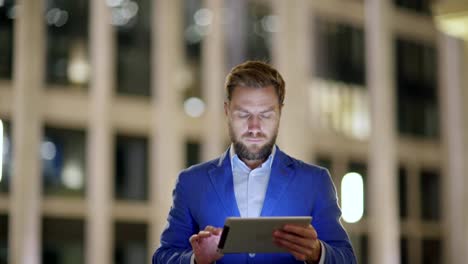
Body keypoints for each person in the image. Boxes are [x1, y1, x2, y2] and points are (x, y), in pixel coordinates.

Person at [152, 61, 356, 264]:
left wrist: (317, 253)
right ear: (227, 112)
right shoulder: (192, 183)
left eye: (266, 115)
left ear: (280, 114)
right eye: (243, 114)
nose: (254, 127)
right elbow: (162, 257)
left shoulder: (314, 181)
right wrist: (195, 260)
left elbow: (346, 258)